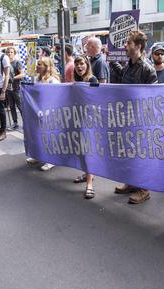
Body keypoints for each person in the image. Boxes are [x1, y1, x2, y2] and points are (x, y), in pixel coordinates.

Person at [109, 30, 158, 205]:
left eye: (128, 43)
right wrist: (113, 61)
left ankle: (144, 189)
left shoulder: (147, 68)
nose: (125, 46)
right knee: (129, 151)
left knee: (140, 154)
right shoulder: (130, 64)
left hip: (140, 119)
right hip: (127, 116)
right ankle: (132, 182)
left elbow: (153, 95)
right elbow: (125, 78)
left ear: (137, 46)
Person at [70, 55, 99, 199]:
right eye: (77, 64)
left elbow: (96, 100)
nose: (79, 66)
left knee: (88, 151)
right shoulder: (77, 81)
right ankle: (88, 174)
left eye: (81, 63)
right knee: (81, 150)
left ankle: (89, 184)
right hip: (78, 119)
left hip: (89, 122)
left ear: (87, 65)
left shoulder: (92, 80)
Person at [25, 57, 60, 171]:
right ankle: (38, 156)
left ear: (46, 66)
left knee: (49, 136)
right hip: (38, 111)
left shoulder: (52, 80)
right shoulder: (37, 78)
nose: (37, 66)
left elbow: (56, 97)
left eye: (39, 64)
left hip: (49, 112)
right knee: (38, 135)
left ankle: (51, 160)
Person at [5, 46, 25, 131]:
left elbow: (22, 74)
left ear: (14, 53)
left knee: (20, 106)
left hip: (16, 87)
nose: (10, 54)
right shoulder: (5, 63)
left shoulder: (17, 63)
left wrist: (13, 78)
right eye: (8, 52)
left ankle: (26, 122)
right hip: (8, 88)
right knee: (11, 106)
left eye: (11, 52)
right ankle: (15, 123)